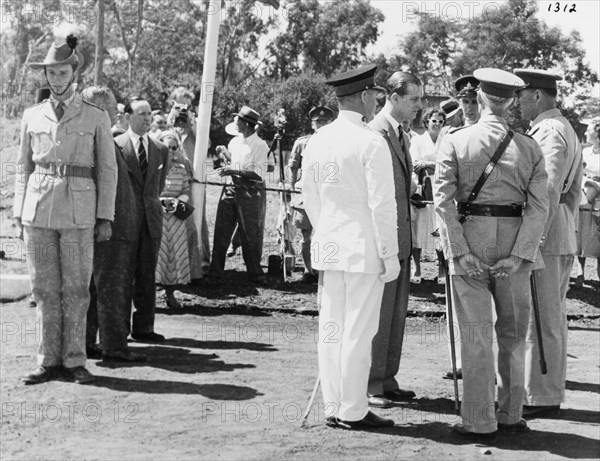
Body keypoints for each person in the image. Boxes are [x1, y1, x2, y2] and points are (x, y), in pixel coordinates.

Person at [434, 68, 549, 438]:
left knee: (476, 334)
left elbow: (443, 201)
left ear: (480, 97)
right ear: (513, 100)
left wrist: (459, 250)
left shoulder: (454, 139)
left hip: (470, 240)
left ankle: (479, 421)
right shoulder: (530, 147)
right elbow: (539, 207)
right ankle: (511, 413)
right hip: (514, 244)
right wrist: (519, 255)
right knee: (514, 335)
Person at [14, 35, 117, 384]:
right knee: (43, 289)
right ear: (45, 76)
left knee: (75, 289)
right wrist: (18, 212)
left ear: (74, 72)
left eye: (62, 72)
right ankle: (47, 360)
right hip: (38, 210)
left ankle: (74, 360)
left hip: (79, 211)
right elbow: (22, 167)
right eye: (50, 73)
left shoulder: (96, 116)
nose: (56, 79)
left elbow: (107, 170)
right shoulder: (32, 116)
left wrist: (105, 216)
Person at [302, 64, 400, 430]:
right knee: (359, 332)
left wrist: (325, 231)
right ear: (363, 97)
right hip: (362, 248)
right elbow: (382, 204)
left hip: (330, 244)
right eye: (375, 96)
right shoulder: (371, 140)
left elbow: (309, 195)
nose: (376, 102)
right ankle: (353, 409)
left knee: (331, 329)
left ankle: (334, 406)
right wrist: (389, 254)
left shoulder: (318, 138)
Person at [514, 68, 583, 419]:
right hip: (559, 232)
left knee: (540, 319)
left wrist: (533, 238)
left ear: (537, 96)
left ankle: (541, 396)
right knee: (549, 316)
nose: (517, 102)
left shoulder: (551, 131)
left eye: (521, 95)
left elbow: (550, 188)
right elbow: (573, 192)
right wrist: (561, 225)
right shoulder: (564, 128)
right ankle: (544, 391)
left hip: (545, 238)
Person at [366, 71, 422, 409]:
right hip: (382, 241)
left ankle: (387, 377)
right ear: (395, 97)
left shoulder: (401, 134)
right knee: (379, 315)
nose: (419, 106)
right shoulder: (376, 133)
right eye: (414, 99)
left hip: (401, 237)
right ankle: (371, 383)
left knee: (396, 314)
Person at [82, 86, 147, 363]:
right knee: (112, 290)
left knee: (97, 290)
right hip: (111, 231)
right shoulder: (97, 140)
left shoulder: (101, 138)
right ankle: (114, 346)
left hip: (114, 228)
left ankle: (89, 342)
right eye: (111, 110)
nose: (116, 115)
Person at [114, 97, 170, 343]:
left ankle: (144, 328)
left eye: (149, 114)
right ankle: (119, 329)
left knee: (147, 276)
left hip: (151, 220)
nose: (147, 118)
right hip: (123, 220)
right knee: (123, 276)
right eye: (141, 113)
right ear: (127, 117)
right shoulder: (116, 145)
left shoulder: (161, 148)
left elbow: (158, 186)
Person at [209, 106, 271, 283]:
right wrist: (225, 154)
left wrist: (233, 171)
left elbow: (258, 174)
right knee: (221, 230)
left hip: (250, 193)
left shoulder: (260, 145)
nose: (235, 124)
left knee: (251, 233)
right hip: (230, 189)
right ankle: (215, 272)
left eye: (237, 121)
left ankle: (255, 273)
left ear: (245, 123)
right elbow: (235, 161)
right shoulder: (235, 142)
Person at [288, 106, 335, 283]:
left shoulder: (337, 142)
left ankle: (325, 268)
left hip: (329, 195)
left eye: (324, 122)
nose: (321, 125)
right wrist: (292, 187)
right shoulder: (302, 143)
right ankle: (309, 270)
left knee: (329, 233)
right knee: (306, 234)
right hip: (305, 194)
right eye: (318, 122)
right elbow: (293, 167)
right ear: (312, 124)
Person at [167, 87, 207, 280]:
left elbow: (205, 144)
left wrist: (191, 124)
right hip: (172, 179)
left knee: (196, 216)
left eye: (186, 106)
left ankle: (200, 260)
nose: (181, 110)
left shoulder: (195, 123)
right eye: (178, 105)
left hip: (193, 177)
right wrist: (171, 122)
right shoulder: (169, 124)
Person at [155, 130, 195, 308]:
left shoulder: (180, 169)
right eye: (167, 147)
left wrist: (177, 202)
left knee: (173, 256)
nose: (170, 151)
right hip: (156, 218)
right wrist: (161, 202)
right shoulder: (153, 169)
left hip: (176, 219)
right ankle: (148, 298)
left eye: (174, 147)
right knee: (155, 257)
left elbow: (186, 190)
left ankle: (170, 295)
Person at [410, 108, 446, 285]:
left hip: (441, 189)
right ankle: (417, 268)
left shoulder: (446, 141)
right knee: (418, 229)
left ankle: (441, 270)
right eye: (434, 121)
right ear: (426, 122)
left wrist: (429, 164)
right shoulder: (417, 141)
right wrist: (432, 165)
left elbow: (447, 166)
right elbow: (415, 164)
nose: (437, 124)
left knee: (438, 230)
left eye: (440, 121)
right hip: (422, 188)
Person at [575, 117, 600, 284]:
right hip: (584, 199)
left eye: (589, 129)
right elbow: (579, 172)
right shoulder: (585, 151)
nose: (585, 132)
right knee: (580, 234)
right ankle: (580, 272)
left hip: (598, 201)